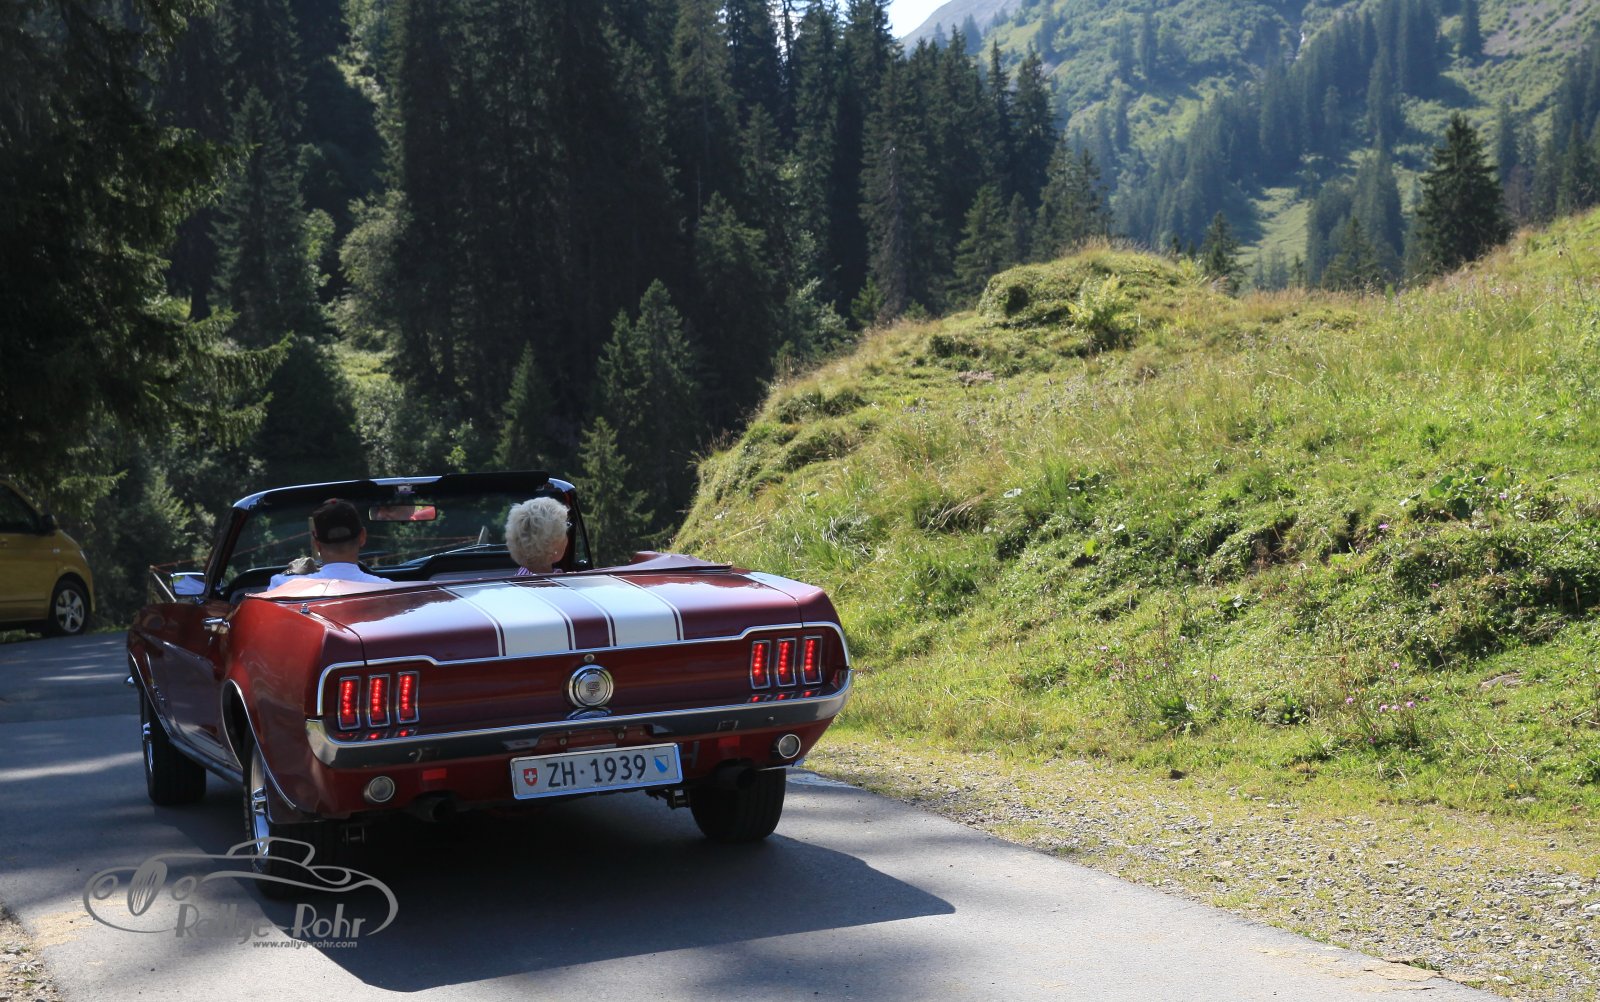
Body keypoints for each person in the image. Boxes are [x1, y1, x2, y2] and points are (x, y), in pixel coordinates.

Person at [267, 498, 388, 589]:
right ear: (362, 537)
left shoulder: (282, 585)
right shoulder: (389, 589)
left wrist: (292, 573)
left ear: (317, 544)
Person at [505, 496, 569, 576]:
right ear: (553, 545)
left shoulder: (520, 579)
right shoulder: (547, 583)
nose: (566, 537)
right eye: (564, 531)